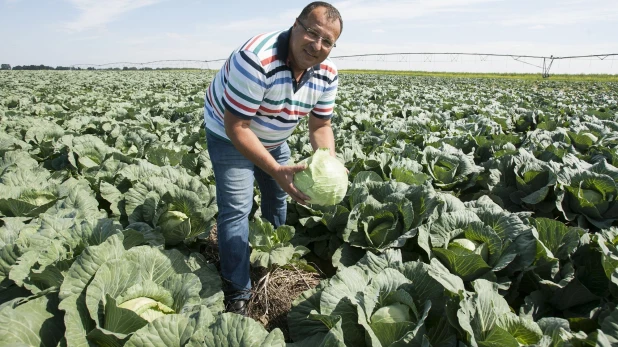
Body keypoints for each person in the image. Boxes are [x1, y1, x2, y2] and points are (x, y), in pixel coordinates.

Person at [203, 2, 343, 315]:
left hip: (273, 135)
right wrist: (275, 167)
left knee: (277, 197)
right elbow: (237, 127)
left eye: (327, 42)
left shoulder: (327, 74)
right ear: (296, 25)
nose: (317, 45)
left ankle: (273, 254)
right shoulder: (256, 59)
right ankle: (238, 290)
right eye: (312, 33)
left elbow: (321, 125)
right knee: (237, 208)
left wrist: (328, 163)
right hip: (228, 132)